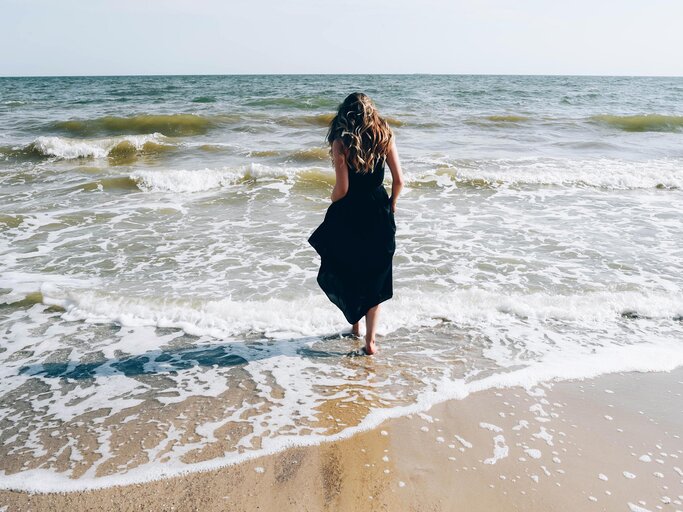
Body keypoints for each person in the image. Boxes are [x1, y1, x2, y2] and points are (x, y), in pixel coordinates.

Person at [308, 92, 404, 355]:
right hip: (379, 212)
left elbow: (343, 189)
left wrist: (331, 200)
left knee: (350, 268)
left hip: (352, 214)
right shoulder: (386, 136)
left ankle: (355, 326)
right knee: (376, 276)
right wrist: (392, 204)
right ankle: (369, 342)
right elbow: (399, 181)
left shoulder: (341, 143)